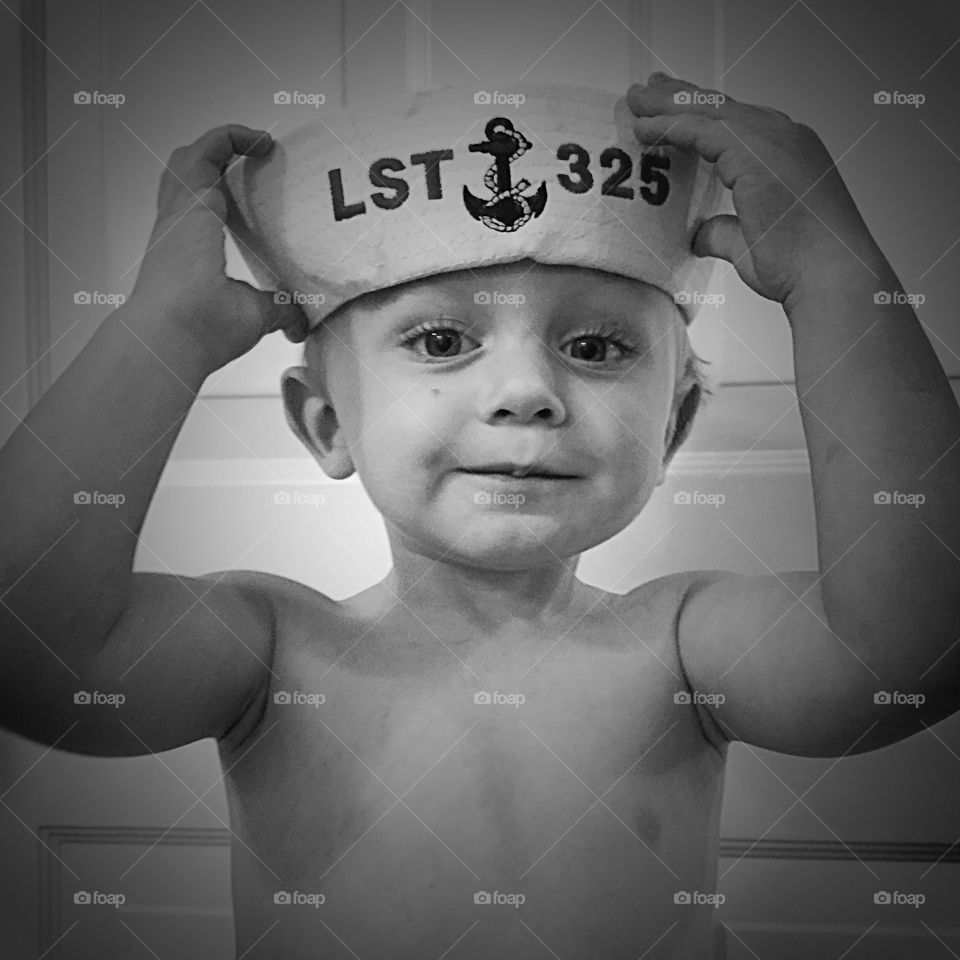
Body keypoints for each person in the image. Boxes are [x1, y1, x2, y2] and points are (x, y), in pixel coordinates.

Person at [2, 74, 958, 960]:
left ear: (672, 429)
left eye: (594, 345)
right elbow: (30, 649)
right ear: (328, 425)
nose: (527, 390)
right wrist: (160, 330)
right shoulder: (274, 651)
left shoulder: (683, 646)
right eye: (443, 339)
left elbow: (907, 651)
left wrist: (836, 277)